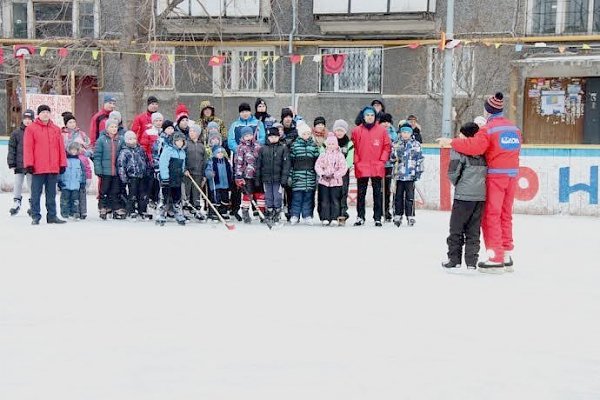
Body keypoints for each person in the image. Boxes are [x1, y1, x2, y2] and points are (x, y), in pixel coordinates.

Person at [437, 92, 522, 273]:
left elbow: (475, 146)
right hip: (512, 176)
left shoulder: (488, 129)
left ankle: (495, 257)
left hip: (495, 177)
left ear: (487, 111)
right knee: (505, 215)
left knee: (491, 215)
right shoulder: (513, 129)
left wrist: (452, 142)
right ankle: (506, 254)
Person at [442, 123, 487, 269]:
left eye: (461, 134)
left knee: (456, 229)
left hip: (463, 197)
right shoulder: (483, 151)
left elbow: (453, 172)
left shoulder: (459, 150)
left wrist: (460, 185)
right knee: (473, 231)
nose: (459, 136)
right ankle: (471, 262)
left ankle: (454, 260)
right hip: (479, 197)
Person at [24, 104, 67, 225]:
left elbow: (61, 148)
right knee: (36, 193)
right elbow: (28, 148)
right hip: (38, 167)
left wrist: (62, 163)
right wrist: (29, 164)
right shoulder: (31, 129)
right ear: (38, 114)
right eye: (43, 112)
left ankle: (52, 216)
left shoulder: (56, 129)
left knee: (51, 194)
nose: (45, 114)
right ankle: (35, 216)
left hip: (53, 167)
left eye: (47, 112)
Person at [351, 106, 391, 227]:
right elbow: (354, 148)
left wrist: (382, 160)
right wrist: (356, 161)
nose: (370, 117)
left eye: (372, 115)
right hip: (362, 165)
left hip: (377, 165)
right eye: (367, 115)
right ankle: (360, 216)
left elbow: (387, 146)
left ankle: (377, 217)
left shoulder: (382, 131)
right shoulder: (356, 131)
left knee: (377, 193)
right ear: (363, 116)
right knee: (361, 193)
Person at [227, 102, 266, 220]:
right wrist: (241, 150)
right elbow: (231, 140)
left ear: (250, 112)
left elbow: (262, 138)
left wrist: (254, 148)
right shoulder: (235, 125)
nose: (245, 113)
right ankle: (240, 210)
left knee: (258, 189)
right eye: (242, 111)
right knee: (244, 189)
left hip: (256, 161)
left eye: (247, 111)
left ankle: (259, 211)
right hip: (243, 161)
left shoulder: (257, 123)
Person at [255, 127, 290, 224]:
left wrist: (284, 179)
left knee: (277, 196)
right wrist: (258, 178)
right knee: (268, 196)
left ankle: (277, 212)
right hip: (266, 179)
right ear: (268, 137)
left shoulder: (283, 148)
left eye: (275, 136)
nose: (273, 138)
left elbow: (286, 165)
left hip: (278, 179)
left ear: (279, 137)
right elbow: (259, 165)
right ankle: (269, 211)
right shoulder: (263, 149)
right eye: (271, 136)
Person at [390, 125, 424, 227]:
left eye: (407, 133)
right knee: (398, 196)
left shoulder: (416, 145)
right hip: (398, 175)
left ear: (411, 134)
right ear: (400, 133)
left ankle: (410, 215)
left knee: (410, 197)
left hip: (410, 175)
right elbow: (391, 159)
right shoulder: (396, 144)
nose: (405, 135)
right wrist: (395, 157)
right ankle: (397, 214)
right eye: (403, 132)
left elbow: (420, 159)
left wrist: (418, 172)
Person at [94, 119, 126, 220]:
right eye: (111, 127)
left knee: (115, 190)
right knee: (104, 190)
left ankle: (115, 207)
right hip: (105, 170)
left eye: (115, 127)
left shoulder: (121, 139)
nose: (113, 129)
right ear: (107, 128)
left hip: (116, 171)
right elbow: (97, 156)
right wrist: (98, 169)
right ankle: (103, 207)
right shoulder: (102, 140)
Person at [289, 121, 320, 225]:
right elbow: (291, 162)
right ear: (300, 134)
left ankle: (307, 215)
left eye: (308, 133)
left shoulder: (314, 146)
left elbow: (317, 161)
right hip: (298, 176)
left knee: (308, 198)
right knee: (297, 197)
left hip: (310, 176)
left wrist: (317, 175)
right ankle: (295, 215)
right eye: (304, 134)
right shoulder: (295, 146)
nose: (306, 136)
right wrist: (290, 175)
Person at [314, 133, 348, 226]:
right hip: (324, 182)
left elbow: (343, 168)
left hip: (336, 182)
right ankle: (325, 217)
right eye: (329, 144)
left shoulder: (340, 155)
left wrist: (335, 175)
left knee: (335, 201)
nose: (331, 146)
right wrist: (322, 174)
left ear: (336, 145)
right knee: (324, 200)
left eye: (333, 144)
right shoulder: (323, 155)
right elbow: (317, 166)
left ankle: (334, 217)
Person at [117, 131, 151, 219]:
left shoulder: (140, 150)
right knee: (132, 194)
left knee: (143, 194)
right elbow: (121, 165)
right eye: (130, 139)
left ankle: (142, 210)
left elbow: (146, 161)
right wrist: (124, 177)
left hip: (142, 176)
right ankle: (131, 210)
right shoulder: (124, 152)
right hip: (132, 177)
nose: (132, 141)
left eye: (134, 138)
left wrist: (147, 172)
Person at [7, 109, 34, 216]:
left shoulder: (34, 131)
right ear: (22, 120)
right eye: (25, 119)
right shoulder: (16, 133)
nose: (27, 121)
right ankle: (16, 202)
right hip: (19, 163)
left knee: (31, 184)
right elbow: (12, 148)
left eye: (30, 119)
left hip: (31, 164)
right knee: (18, 183)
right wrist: (11, 162)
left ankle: (33, 203)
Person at [234, 126, 264, 224]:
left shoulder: (257, 146)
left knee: (260, 194)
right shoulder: (241, 147)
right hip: (246, 175)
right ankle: (245, 212)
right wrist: (238, 175)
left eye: (250, 135)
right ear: (243, 137)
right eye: (246, 135)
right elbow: (238, 162)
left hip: (257, 174)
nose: (249, 137)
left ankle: (262, 213)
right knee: (247, 194)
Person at [157, 132, 187, 225]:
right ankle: (161, 214)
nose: (179, 143)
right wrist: (165, 177)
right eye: (177, 141)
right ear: (173, 141)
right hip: (168, 178)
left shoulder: (182, 152)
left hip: (177, 178)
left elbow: (182, 164)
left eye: (181, 141)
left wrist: (183, 172)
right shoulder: (168, 150)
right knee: (165, 197)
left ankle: (177, 212)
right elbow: (163, 164)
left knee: (177, 197)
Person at [330, 119, 354, 225]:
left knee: (343, 193)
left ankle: (342, 214)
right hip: (331, 173)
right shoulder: (330, 141)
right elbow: (323, 154)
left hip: (343, 173)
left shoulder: (349, 143)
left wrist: (342, 170)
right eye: (337, 130)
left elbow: (350, 159)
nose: (339, 132)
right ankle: (332, 214)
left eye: (341, 130)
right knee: (333, 193)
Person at [183, 124, 206, 220]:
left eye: (194, 131)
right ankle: (186, 209)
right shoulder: (186, 144)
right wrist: (184, 169)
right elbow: (183, 157)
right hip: (188, 173)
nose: (191, 133)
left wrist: (204, 173)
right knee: (187, 191)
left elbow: (204, 159)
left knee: (196, 192)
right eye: (190, 131)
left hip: (199, 172)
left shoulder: (201, 145)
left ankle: (196, 209)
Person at [58, 142, 86, 220]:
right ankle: (64, 213)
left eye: (75, 150)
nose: (73, 152)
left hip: (75, 185)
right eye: (72, 150)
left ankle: (74, 212)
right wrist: (59, 181)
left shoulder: (79, 162)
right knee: (65, 199)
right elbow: (60, 171)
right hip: (65, 184)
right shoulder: (65, 160)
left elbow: (83, 172)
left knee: (75, 200)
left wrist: (82, 182)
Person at [205, 145, 233, 221]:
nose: (220, 154)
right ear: (214, 153)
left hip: (225, 184)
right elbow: (207, 171)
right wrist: (210, 174)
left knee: (225, 198)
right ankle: (213, 212)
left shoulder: (226, 162)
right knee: (216, 198)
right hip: (216, 184)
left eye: (221, 152)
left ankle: (223, 212)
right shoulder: (211, 161)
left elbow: (230, 171)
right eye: (218, 153)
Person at [380, 113, 398, 221]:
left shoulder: (394, 134)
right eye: (384, 122)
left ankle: (386, 210)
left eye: (388, 122)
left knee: (387, 189)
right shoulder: (377, 132)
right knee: (379, 189)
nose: (386, 124)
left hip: (389, 164)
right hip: (379, 164)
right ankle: (379, 210)